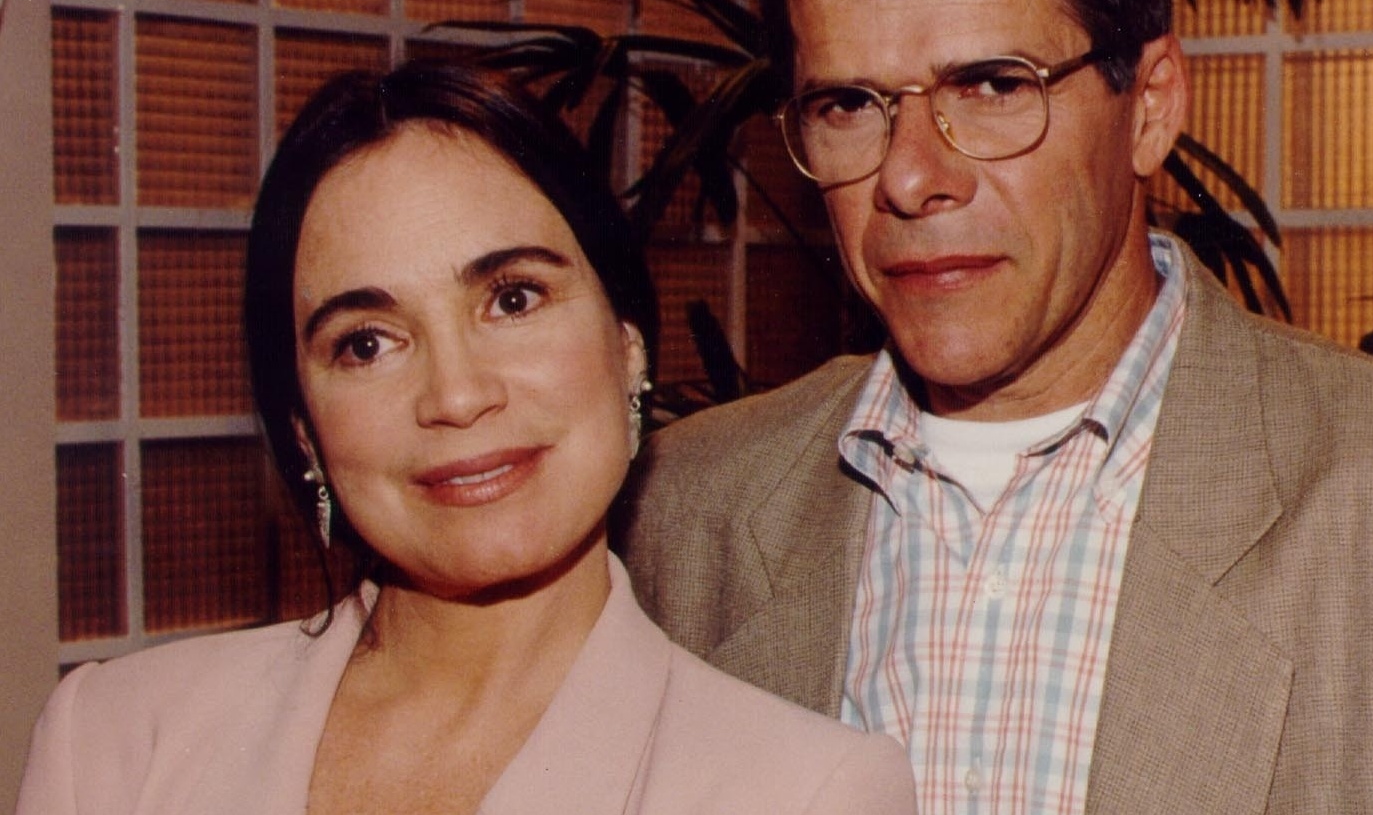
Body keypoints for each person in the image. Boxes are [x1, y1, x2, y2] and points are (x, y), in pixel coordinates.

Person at [622, 0, 1373, 815]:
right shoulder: (687, 511)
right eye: (849, 105)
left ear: (1149, 106)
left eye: (991, 86)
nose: (910, 178)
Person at [17, 61, 918, 815]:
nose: (455, 396)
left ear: (627, 347)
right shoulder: (115, 746)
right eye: (366, 344)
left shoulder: (804, 792)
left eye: (513, 299)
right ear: (305, 432)